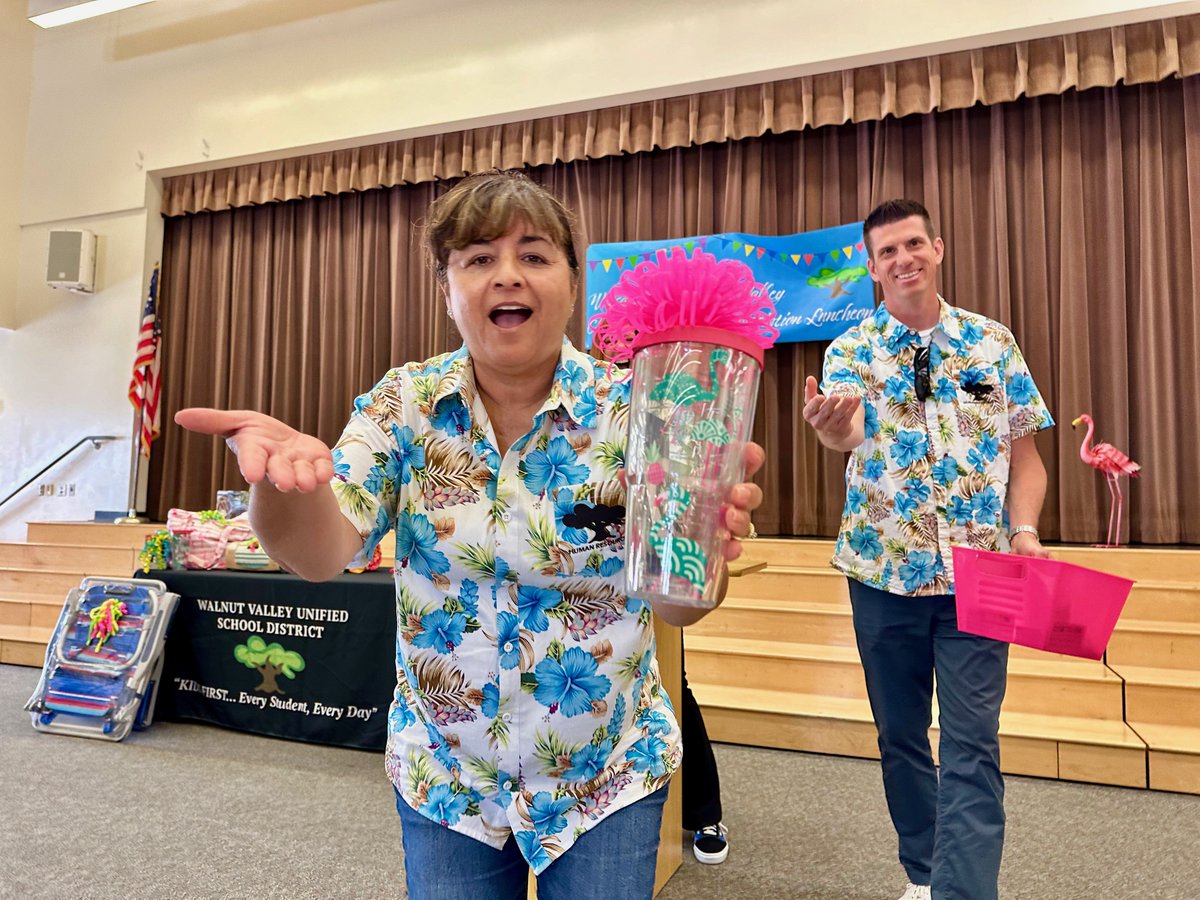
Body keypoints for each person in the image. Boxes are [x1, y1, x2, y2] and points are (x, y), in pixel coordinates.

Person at [175, 171, 764, 900]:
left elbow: (677, 609)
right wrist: (278, 480)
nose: (506, 275)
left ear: (573, 284)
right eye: (478, 258)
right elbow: (320, 552)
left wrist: (704, 547)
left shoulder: (637, 408)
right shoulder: (406, 404)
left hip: (604, 776)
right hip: (447, 779)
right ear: (446, 288)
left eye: (534, 255)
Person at [801, 199, 1053, 900]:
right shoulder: (851, 350)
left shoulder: (992, 343)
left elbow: (1025, 456)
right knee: (902, 739)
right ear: (872, 266)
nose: (903, 259)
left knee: (973, 744)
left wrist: (1025, 530)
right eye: (887, 251)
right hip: (882, 576)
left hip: (982, 571)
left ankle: (962, 893)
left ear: (937, 248)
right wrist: (831, 429)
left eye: (913, 244)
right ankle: (923, 873)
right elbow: (844, 435)